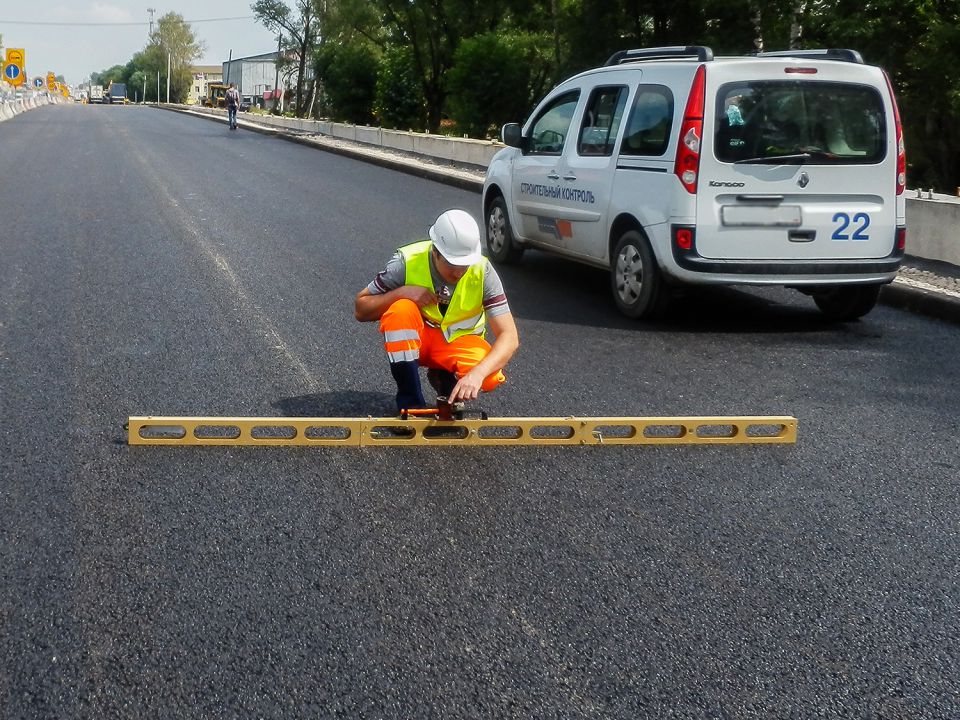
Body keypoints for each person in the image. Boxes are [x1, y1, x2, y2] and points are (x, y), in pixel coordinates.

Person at [355, 209, 520, 414]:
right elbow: (361, 308)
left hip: (455, 344)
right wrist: (402, 293)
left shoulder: (482, 270)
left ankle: (445, 378)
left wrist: (476, 375)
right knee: (400, 310)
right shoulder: (406, 262)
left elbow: (509, 336)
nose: (459, 272)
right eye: (452, 264)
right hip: (418, 341)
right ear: (435, 251)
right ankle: (410, 402)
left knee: (491, 375)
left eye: (464, 265)